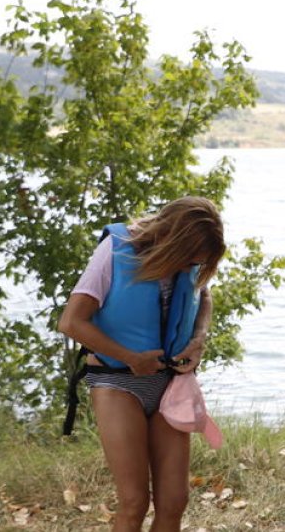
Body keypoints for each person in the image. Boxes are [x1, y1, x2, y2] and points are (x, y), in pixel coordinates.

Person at [58, 196, 225, 532]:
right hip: (117, 383)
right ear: (172, 242)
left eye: (196, 263)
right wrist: (131, 358)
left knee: (174, 501)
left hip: (170, 387)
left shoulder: (191, 259)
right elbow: (71, 322)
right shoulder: (115, 250)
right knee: (135, 501)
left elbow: (203, 295)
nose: (189, 268)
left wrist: (198, 339)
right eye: (188, 260)